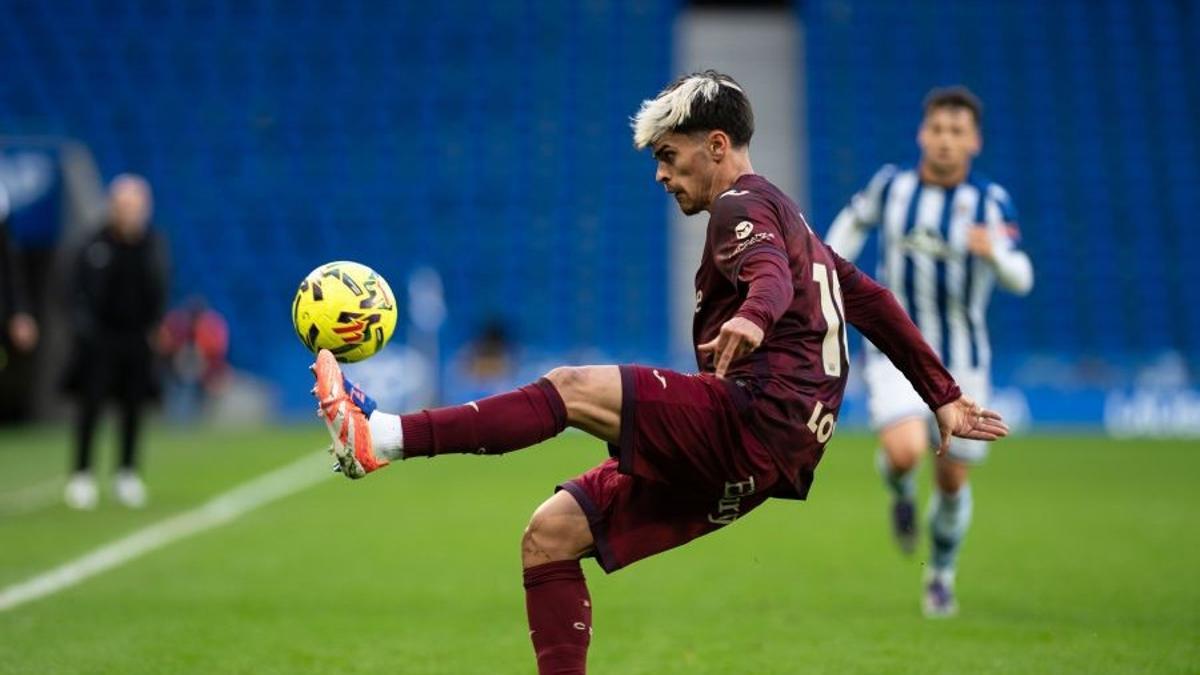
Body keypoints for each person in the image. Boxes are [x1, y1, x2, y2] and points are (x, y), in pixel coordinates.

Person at [310, 71, 1009, 673]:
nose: (660, 174)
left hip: (754, 418)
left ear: (715, 146)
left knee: (571, 387)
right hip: (773, 455)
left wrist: (755, 318)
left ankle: (385, 436)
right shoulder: (797, 224)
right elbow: (874, 302)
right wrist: (942, 395)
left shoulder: (743, 206)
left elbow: (765, 274)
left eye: (669, 156)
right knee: (550, 534)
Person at [824, 86, 1033, 617]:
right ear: (922, 133)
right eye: (937, 129)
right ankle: (897, 489)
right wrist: (821, 271)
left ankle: (940, 575)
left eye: (956, 132)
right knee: (903, 451)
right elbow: (852, 224)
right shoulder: (892, 187)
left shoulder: (991, 203)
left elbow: (1021, 277)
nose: (945, 140)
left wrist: (998, 256)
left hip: (964, 362)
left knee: (951, 478)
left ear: (974, 141)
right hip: (898, 347)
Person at [62, 174, 169, 510]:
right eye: (125, 206)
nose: (131, 213)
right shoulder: (94, 243)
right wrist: (84, 329)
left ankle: (127, 473)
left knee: (133, 408)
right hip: (100, 339)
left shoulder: (152, 244)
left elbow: (159, 286)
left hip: (137, 339)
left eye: (136, 206)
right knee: (90, 406)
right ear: (113, 207)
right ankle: (82, 474)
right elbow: (74, 289)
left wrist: (156, 325)